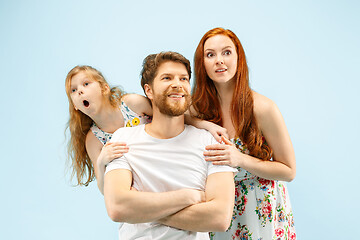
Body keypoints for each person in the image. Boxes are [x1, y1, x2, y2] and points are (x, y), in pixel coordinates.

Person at [103, 51, 237, 239]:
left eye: (183, 79)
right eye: (167, 78)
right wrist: (189, 197)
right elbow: (117, 208)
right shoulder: (123, 139)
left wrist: (142, 211)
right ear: (148, 90)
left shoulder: (211, 142)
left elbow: (220, 218)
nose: (177, 84)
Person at [191, 27, 296, 239]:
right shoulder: (197, 109)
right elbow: (166, 114)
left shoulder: (263, 108)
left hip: (261, 211)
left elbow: (289, 170)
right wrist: (206, 125)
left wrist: (239, 159)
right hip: (219, 210)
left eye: (227, 52)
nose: (219, 60)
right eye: (210, 55)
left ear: (239, 58)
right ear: (202, 64)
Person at [65, 65, 227, 194]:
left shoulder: (132, 104)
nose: (80, 90)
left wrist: (206, 125)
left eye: (86, 84)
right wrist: (101, 162)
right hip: (141, 186)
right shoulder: (93, 139)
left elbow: (173, 116)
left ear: (104, 88)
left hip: (169, 164)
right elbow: (104, 190)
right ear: (75, 105)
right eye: (73, 90)